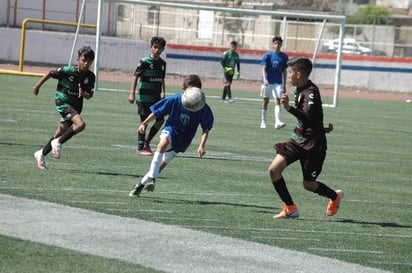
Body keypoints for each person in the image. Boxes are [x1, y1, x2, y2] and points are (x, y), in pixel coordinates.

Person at [269, 57, 343, 219]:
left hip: (314, 146)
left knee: (308, 185)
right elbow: (313, 119)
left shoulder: (311, 93)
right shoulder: (300, 89)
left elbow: (308, 117)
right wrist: (322, 128)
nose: (288, 76)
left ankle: (334, 196)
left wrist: (289, 108)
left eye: (290, 72)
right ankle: (290, 208)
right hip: (298, 139)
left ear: (299, 74)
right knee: (274, 170)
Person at [129, 74, 214, 197]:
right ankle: (152, 179)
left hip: (183, 139)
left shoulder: (202, 107)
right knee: (162, 144)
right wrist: (144, 123)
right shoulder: (175, 99)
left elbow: (206, 128)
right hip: (171, 129)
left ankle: (141, 184)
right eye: (190, 90)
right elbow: (157, 111)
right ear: (183, 90)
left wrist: (202, 146)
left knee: (160, 166)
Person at [32, 46, 96, 170]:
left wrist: (84, 94)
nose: (86, 63)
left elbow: (89, 95)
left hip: (76, 106)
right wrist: (37, 86)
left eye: (89, 61)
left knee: (60, 131)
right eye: (84, 60)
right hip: (62, 102)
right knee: (80, 124)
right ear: (78, 59)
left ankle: (41, 154)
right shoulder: (67, 70)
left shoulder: (90, 77)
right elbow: (50, 73)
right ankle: (58, 142)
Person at [128, 36, 167, 156]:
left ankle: (147, 142)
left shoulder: (162, 64)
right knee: (144, 121)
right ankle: (140, 148)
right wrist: (132, 93)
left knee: (160, 120)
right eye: (155, 47)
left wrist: (163, 92)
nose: (157, 50)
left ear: (162, 49)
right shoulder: (144, 61)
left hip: (156, 98)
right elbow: (136, 76)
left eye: (160, 48)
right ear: (151, 47)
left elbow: (162, 79)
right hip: (143, 97)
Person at [260, 36, 288, 129]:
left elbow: (284, 71)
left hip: (278, 82)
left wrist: (284, 84)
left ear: (281, 45)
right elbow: (263, 68)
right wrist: (264, 79)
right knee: (266, 101)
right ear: (273, 44)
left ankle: (277, 122)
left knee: (278, 100)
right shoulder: (268, 55)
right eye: (276, 43)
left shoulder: (284, 57)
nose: (277, 45)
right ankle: (263, 121)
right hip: (267, 81)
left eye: (279, 44)